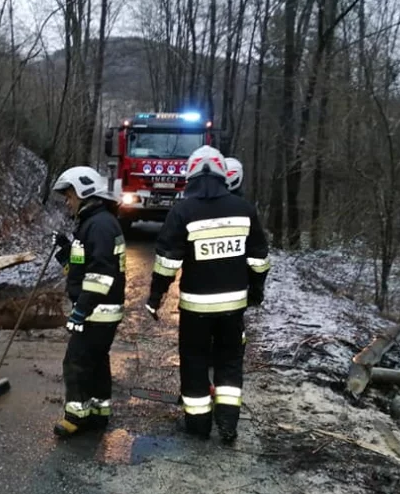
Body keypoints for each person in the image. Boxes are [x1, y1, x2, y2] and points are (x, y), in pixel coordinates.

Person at [146, 146, 269, 442]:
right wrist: (255, 292)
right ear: (221, 173)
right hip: (233, 307)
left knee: (194, 361)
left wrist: (155, 298)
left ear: (191, 174)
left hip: (196, 308)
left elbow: (167, 262)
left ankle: (198, 426)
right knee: (229, 362)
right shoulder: (245, 210)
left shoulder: (183, 211)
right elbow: (259, 260)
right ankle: (228, 424)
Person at [50, 166, 126, 437]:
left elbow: (101, 275)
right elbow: (81, 268)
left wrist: (81, 310)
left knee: (76, 362)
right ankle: (98, 412)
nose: (67, 202)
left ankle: (75, 417)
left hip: (98, 310)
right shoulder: (93, 223)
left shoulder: (100, 225)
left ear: (83, 193)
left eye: (69, 196)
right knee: (96, 360)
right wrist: (66, 252)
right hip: (100, 309)